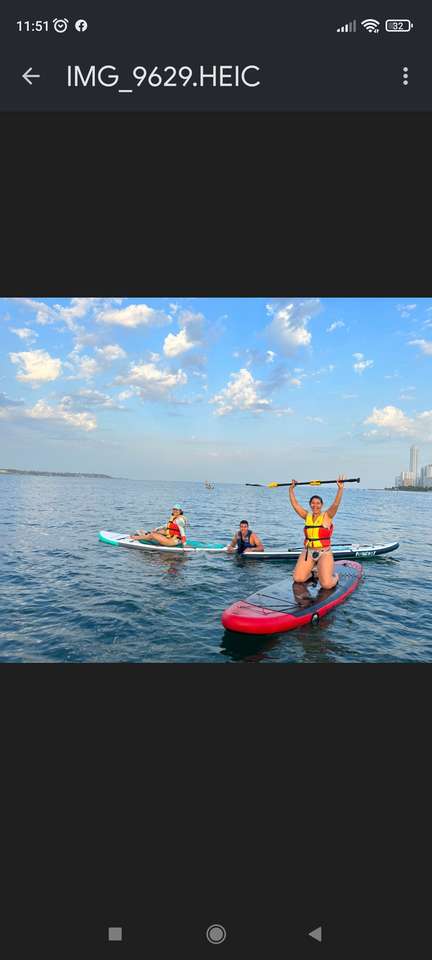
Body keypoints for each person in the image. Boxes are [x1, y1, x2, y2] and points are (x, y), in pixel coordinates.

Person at [288, 476, 346, 588]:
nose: (315, 505)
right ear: (310, 504)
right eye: (313, 503)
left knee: (326, 585)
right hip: (308, 551)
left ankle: (335, 577)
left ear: (322, 505)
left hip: (324, 552)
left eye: (318, 503)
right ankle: (314, 572)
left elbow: (335, 504)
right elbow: (295, 504)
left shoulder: (327, 516)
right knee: (298, 578)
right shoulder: (306, 516)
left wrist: (340, 489)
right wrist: (291, 490)